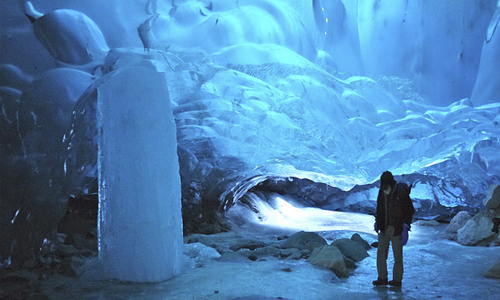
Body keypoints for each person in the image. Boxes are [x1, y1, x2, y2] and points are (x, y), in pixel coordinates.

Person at [372, 171, 415, 287]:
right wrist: (377, 222)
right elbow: (379, 208)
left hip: (397, 228)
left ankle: (397, 280)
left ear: (391, 184)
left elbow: (410, 210)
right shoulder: (381, 192)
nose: (384, 190)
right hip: (384, 227)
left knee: (397, 255)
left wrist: (406, 226)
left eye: (386, 187)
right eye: (383, 187)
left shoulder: (401, 193)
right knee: (381, 253)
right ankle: (382, 278)